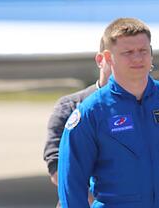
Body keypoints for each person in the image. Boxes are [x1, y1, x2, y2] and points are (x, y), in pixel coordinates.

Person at [57, 17, 159, 207]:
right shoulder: (92, 112)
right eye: (128, 52)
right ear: (108, 58)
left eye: (143, 51)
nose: (138, 58)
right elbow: (71, 183)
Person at [43, 38, 112, 207]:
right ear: (101, 60)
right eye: (116, 57)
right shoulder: (71, 106)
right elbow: (56, 165)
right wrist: (94, 202)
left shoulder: (147, 106)